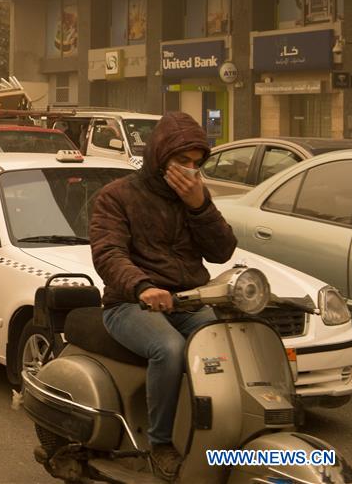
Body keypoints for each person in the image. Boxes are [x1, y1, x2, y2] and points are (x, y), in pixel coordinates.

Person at [88, 112, 237, 482]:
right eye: (180, 162)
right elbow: (108, 254)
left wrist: (200, 205)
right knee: (169, 348)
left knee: (225, 346)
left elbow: (222, 252)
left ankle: (217, 434)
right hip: (128, 303)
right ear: (159, 156)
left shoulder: (194, 198)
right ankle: (161, 445)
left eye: (195, 164)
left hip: (189, 301)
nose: (188, 171)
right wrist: (143, 286)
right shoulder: (117, 196)